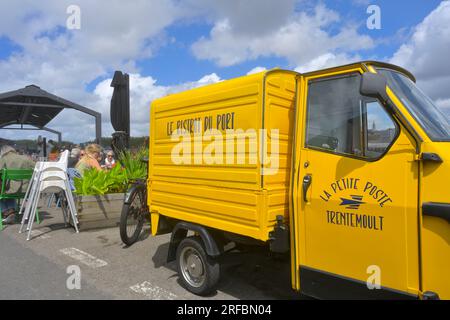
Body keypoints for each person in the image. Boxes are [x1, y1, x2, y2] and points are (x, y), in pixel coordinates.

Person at [0, 145, 35, 224]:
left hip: (12, 190)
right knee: (9, 190)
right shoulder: (25, 158)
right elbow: (37, 167)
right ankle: (11, 211)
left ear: (3, 152)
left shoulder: (4, 159)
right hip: (27, 190)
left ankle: (6, 211)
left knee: (5, 190)